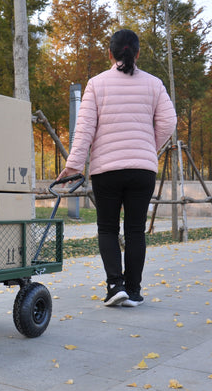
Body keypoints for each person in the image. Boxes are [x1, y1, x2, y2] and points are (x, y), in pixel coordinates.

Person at [57, 29, 177, 307]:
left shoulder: (97, 84)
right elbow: (168, 122)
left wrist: (74, 164)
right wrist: (149, 147)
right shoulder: (155, 84)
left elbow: (84, 128)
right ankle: (133, 291)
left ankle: (115, 286)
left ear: (110, 54)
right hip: (142, 170)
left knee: (108, 229)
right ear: (137, 54)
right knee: (135, 229)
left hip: (107, 170)